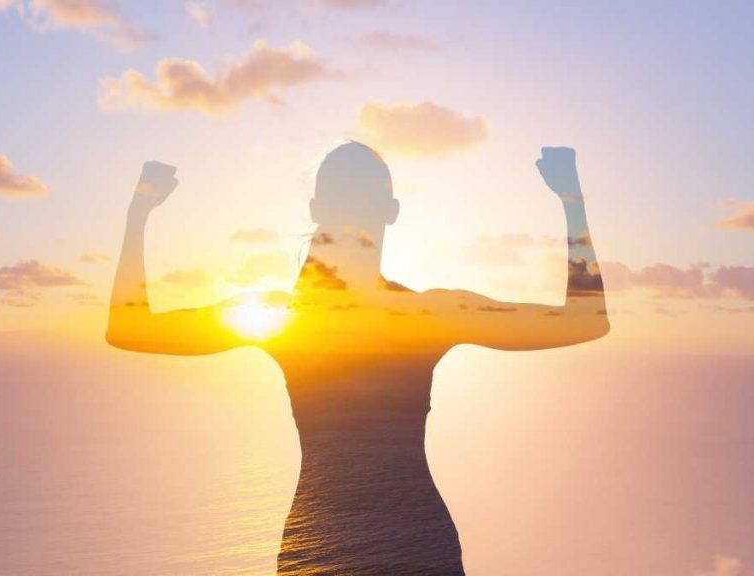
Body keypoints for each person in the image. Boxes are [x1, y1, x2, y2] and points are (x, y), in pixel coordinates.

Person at [107, 142, 609, 575]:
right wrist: (571, 200)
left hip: (319, 544)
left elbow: (130, 328)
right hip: (415, 545)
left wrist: (138, 216)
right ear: (391, 210)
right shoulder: (427, 314)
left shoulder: (285, 317)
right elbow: (585, 321)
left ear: (314, 208)